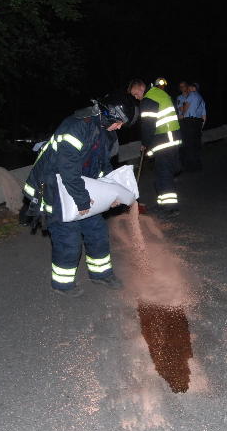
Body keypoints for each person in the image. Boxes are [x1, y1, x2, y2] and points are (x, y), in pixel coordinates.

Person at [23, 92, 139, 297]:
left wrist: (111, 194)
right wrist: (83, 200)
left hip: (81, 188)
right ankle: (62, 284)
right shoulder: (76, 127)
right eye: (120, 122)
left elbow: (102, 166)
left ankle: (101, 274)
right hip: (55, 188)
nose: (120, 127)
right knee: (69, 240)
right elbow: (67, 170)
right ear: (110, 114)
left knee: (98, 233)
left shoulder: (105, 131)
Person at [140, 77, 182, 217]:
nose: (136, 98)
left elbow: (147, 126)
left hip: (164, 140)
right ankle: (162, 204)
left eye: (135, 94)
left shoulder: (149, 99)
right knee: (162, 174)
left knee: (163, 174)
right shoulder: (160, 94)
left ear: (140, 88)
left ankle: (170, 208)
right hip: (171, 137)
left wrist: (145, 144)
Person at [180, 82, 206, 171]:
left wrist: (182, 114)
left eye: (190, 87)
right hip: (198, 123)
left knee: (188, 144)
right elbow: (204, 116)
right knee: (196, 144)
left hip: (189, 122)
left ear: (194, 88)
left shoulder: (192, 95)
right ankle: (198, 165)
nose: (188, 89)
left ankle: (190, 166)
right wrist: (201, 127)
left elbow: (186, 106)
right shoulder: (201, 99)